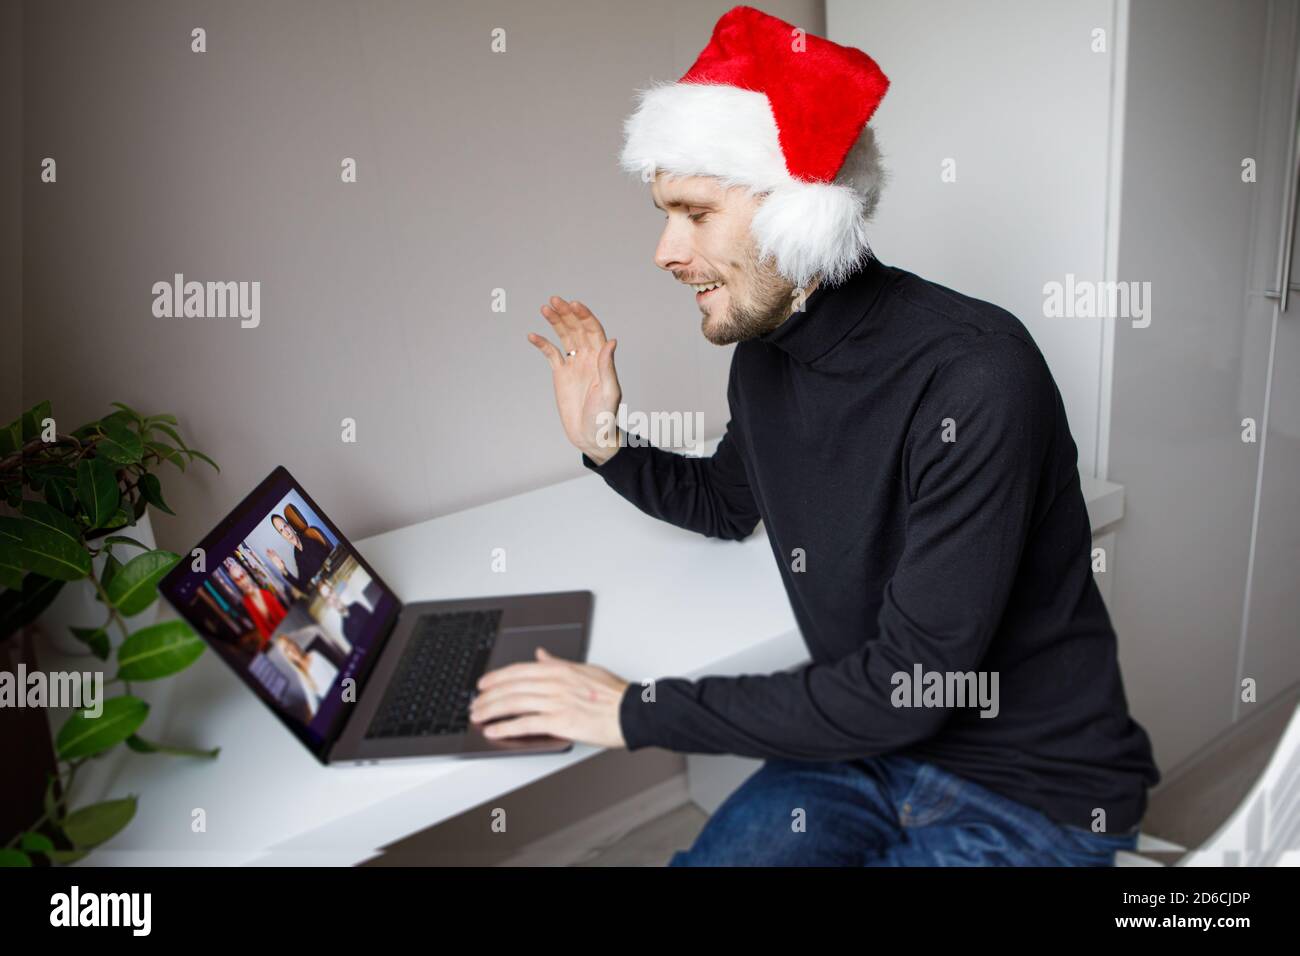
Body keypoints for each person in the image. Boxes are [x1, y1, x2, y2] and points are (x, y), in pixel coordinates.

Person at [468, 6, 1159, 866]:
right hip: (870, 752)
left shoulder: (978, 375)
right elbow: (729, 504)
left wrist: (631, 709)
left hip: (1033, 792)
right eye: (663, 212)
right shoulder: (767, 357)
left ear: (799, 211)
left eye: (694, 212)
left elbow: (912, 687)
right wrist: (606, 442)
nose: (663, 250)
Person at [223, 557, 286, 644]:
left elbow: (284, 616)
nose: (242, 581)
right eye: (238, 579)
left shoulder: (266, 592)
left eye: (242, 576)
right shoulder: (246, 602)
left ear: (247, 575)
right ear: (236, 583)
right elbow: (262, 629)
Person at [272, 513, 332, 590]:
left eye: (285, 526)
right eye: (281, 531)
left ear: (290, 526)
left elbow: (330, 564)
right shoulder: (297, 553)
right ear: (282, 536)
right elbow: (303, 586)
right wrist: (283, 570)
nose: (287, 533)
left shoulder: (310, 540)